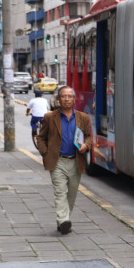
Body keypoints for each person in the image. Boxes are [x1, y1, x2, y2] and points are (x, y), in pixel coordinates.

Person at [36, 86, 93, 235]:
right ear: (58, 99)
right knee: (60, 192)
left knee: (71, 194)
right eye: (64, 96)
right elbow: (41, 137)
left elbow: (88, 137)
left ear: (74, 99)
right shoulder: (50, 117)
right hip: (57, 161)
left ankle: (63, 221)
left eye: (70, 96)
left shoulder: (83, 117)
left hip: (75, 161)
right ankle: (64, 221)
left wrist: (85, 146)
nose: (67, 99)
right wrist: (45, 153)